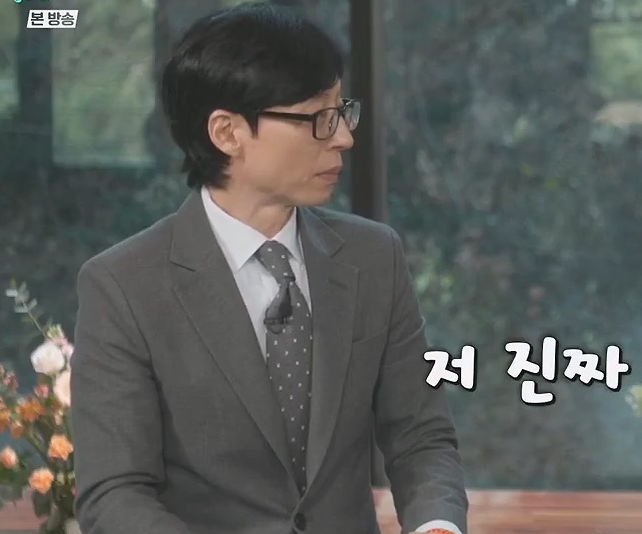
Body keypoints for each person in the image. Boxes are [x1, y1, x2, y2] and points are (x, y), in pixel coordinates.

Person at [69, 4, 467, 534]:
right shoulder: (124, 285)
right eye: (318, 120)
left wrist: (437, 526)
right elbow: (114, 494)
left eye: (342, 111)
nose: (344, 137)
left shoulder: (374, 257)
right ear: (227, 132)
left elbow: (421, 438)